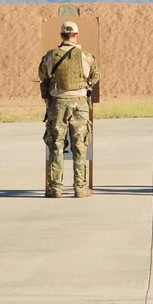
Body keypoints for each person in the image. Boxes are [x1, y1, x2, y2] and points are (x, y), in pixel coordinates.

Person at [38, 21, 100, 198]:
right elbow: (95, 75)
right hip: (79, 104)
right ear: (76, 35)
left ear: (61, 36)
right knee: (80, 146)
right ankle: (80, 187)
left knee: (56, 145)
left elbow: (42, 74)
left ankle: (56, 188)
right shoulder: (86, 56)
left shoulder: (51, 56)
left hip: (58, 104)